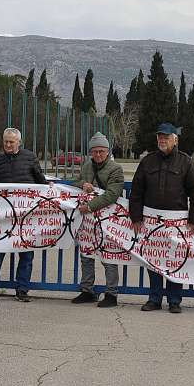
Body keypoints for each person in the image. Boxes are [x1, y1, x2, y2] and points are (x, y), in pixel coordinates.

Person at [129, 123, 194, 313]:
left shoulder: (186, 162)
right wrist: (136, 217)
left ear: (175, 139)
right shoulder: (147, 162)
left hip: (177, 223)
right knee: (154, 260)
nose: (162, 140)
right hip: (151, 222)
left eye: (166, 137)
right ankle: (154, 299)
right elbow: (137, 191)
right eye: (160, 137)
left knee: (175, 260)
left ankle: (174, 301)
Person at [0, 128, 48, 302]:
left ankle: (22, 290)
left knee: (26, 255)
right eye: (5, 141)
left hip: (26, 215)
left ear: (19, 142)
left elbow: (40, 181)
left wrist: (49, 186)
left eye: (11, 142)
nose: (7, 144)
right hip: (3, 216)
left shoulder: (30, 157)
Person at [70, 132, 125, 308]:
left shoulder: (116, 169)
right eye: (95, 151)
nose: (98, 154)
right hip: (88, 221)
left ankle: (111, 294)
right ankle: (87, 290)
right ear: (90, 152)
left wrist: (90, 206)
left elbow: (112, 194)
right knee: (86, 254)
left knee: (108, 256)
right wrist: (82, 185)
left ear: (108, 152)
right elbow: (76, 182)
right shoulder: (87, 166)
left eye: (101, 151)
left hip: (108, 220)